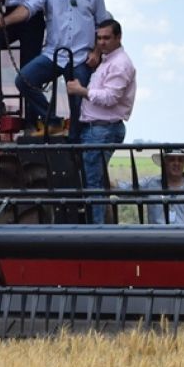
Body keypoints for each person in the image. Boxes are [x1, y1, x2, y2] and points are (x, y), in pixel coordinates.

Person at [16, 0, 110, 132]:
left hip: (82, 56)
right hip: (54, 53)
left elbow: (103, 24)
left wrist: (97, 52)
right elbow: (30, 6)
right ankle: (51, 119)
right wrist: (5, 20)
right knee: (24, 80)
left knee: (78, 103)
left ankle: (75, 143)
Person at [65, 19, 135, 223]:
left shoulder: (119, 64)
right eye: (99, 38)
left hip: (102, 128)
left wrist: (81, 91)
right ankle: (98, 226)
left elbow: (110, 98)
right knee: (94, 180)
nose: (102, 42)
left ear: (118, 37)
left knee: (93, 182)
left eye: (106, 38)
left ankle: (96, 228)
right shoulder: (109, 61)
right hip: (100, 127)